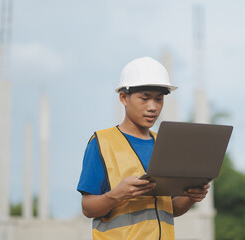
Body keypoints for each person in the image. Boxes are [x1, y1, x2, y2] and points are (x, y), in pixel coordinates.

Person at [77, 56, 210, 240]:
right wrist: (116, 195)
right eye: (144, 98)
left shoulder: (164, 145)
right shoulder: (101, 143)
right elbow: (87, 208)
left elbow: (170, 209)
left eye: (159, 99)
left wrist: (190, 197)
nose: (153, 107)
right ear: (124, 97)